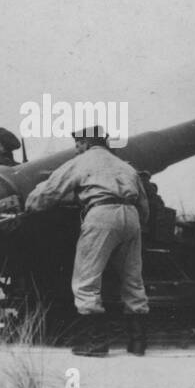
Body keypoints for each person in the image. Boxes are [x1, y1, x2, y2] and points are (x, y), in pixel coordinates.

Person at [24, 126, 151, 357]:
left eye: (77, 145)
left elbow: (51, 190)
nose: (76, 150)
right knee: (133, 279)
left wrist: (30, 205)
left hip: (101, 214)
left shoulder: (82, 161)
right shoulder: (124, 165)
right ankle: (138, 343)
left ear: (85, 143)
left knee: (86, 280)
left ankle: (96, 343)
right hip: (131, 217)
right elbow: (144, 204)